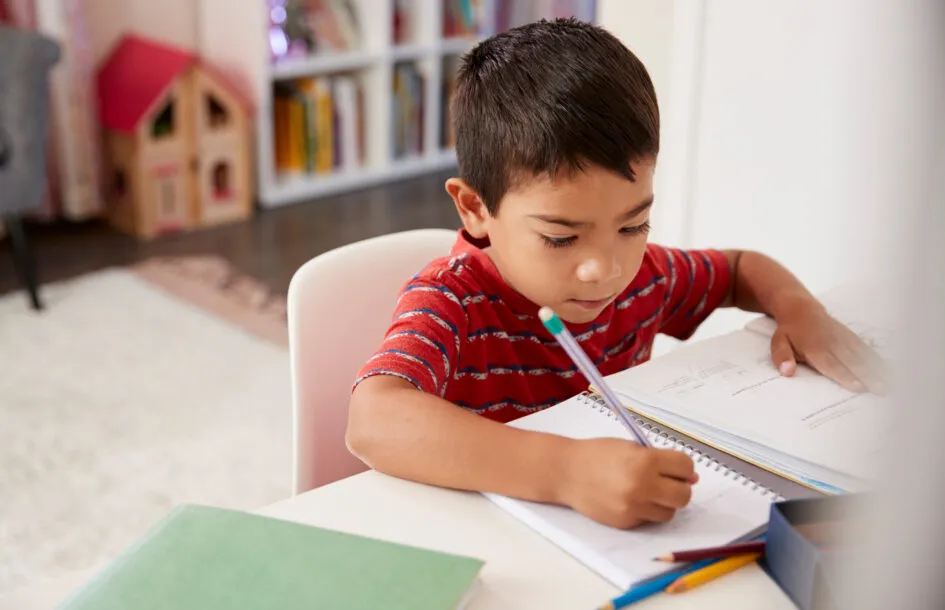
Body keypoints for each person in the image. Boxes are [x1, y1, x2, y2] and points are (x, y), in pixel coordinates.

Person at [346, 18, 882, 530]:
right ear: (475, 209)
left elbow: (740, 268)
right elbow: (374, 420)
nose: (604, 270)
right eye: (561, 237)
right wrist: (566, 471)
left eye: (634, 224)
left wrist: (800, 309)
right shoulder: (450, 299)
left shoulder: (645, 277)